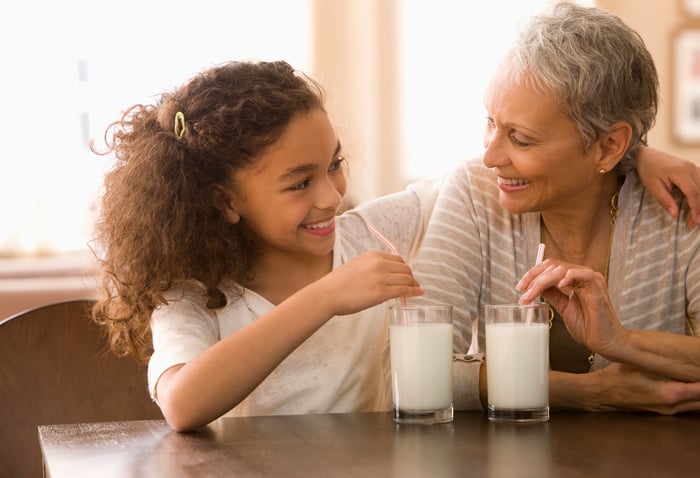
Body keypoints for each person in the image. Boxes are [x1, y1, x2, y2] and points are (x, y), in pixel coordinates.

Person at [91, 57, 698, 432]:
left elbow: (503, 166)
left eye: (335, 165)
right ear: (224, 200)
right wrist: (327, 296)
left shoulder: (372, 232)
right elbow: (184, 404)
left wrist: (635, 153)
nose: (330, 196)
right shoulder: (194, 292)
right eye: (299, 182)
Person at [411, 2, 700, 414]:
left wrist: (621, 342)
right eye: (491, 122)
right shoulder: (476, 192)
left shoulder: (679, 204)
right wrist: (594, 392)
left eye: (522, 139)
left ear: (608, 145)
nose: (491, 156)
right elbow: (412, 369)